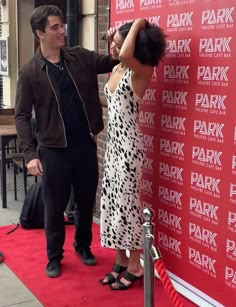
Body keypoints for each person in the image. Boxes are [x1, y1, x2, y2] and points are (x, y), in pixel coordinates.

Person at [15, 5, 118, 278]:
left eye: (62, 25)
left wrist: (116, 42)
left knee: (85, 202)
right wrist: (30, 155)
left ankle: (83, 246)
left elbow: (111, 62)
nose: (63, 31)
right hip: (52, 150)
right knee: (54, 205)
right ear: (40, 33)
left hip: (84, 145)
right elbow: (22, 116)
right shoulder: (30, 72)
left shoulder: (79, 57)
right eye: (55, 27)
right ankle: (54, 257)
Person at [99, 19, 166, 290]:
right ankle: (120, 260)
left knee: (128, 205)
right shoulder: (117, 68)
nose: (114, 49)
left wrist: (137, 22)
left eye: (118, 44)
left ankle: (136, 265)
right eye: (113, 45)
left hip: (129, 146)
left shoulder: (142, 70)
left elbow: (126, 53)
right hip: (114, 143)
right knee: (111, 202)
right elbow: (112, 95)